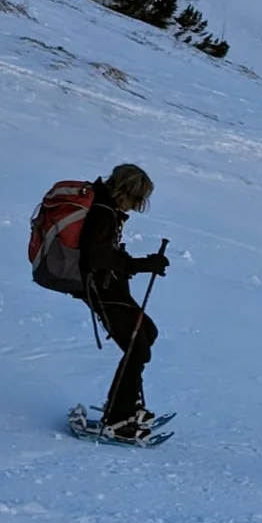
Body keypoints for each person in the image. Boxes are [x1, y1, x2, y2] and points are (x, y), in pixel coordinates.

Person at [79, 164, 168, 440]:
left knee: (145, 334)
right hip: (102, 290)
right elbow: (97, 257)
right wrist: (141, 265)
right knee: (137, 347)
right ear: (125, 191)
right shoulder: (103, 213)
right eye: (137, 199)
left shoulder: (105, 209)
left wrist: (140, 265)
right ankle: (119, 418)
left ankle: (127, 405)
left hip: (109, 288)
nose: (137, 206)